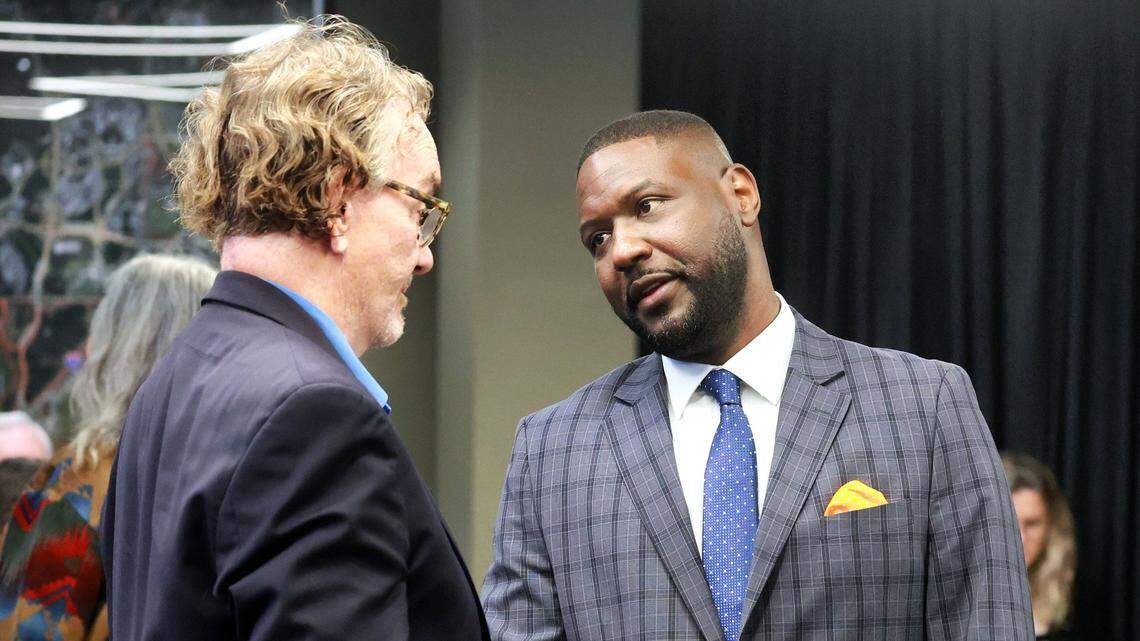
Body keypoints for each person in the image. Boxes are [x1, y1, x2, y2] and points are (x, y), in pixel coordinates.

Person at [483, 110, 1034, 640]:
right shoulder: (553, 452)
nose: (622, 250)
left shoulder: (923, 406)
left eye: (647, 206)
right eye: (597, 239)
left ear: (740, 194)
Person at [101, 16, 488, 641]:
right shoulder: (315, 414)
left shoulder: (171, 383)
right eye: (420, 206)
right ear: (338, 199)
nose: (425, 254)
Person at [0, 254, 216, 641]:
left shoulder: (83, 481)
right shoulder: (233, 476)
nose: (86, 346)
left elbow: (27, 629)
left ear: (118, 348)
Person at [1002, 452, 1077, 640]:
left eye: (1032, 524)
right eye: (1008, 522)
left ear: (1051, 526)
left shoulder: (1075, 602)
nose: (1020, 537)